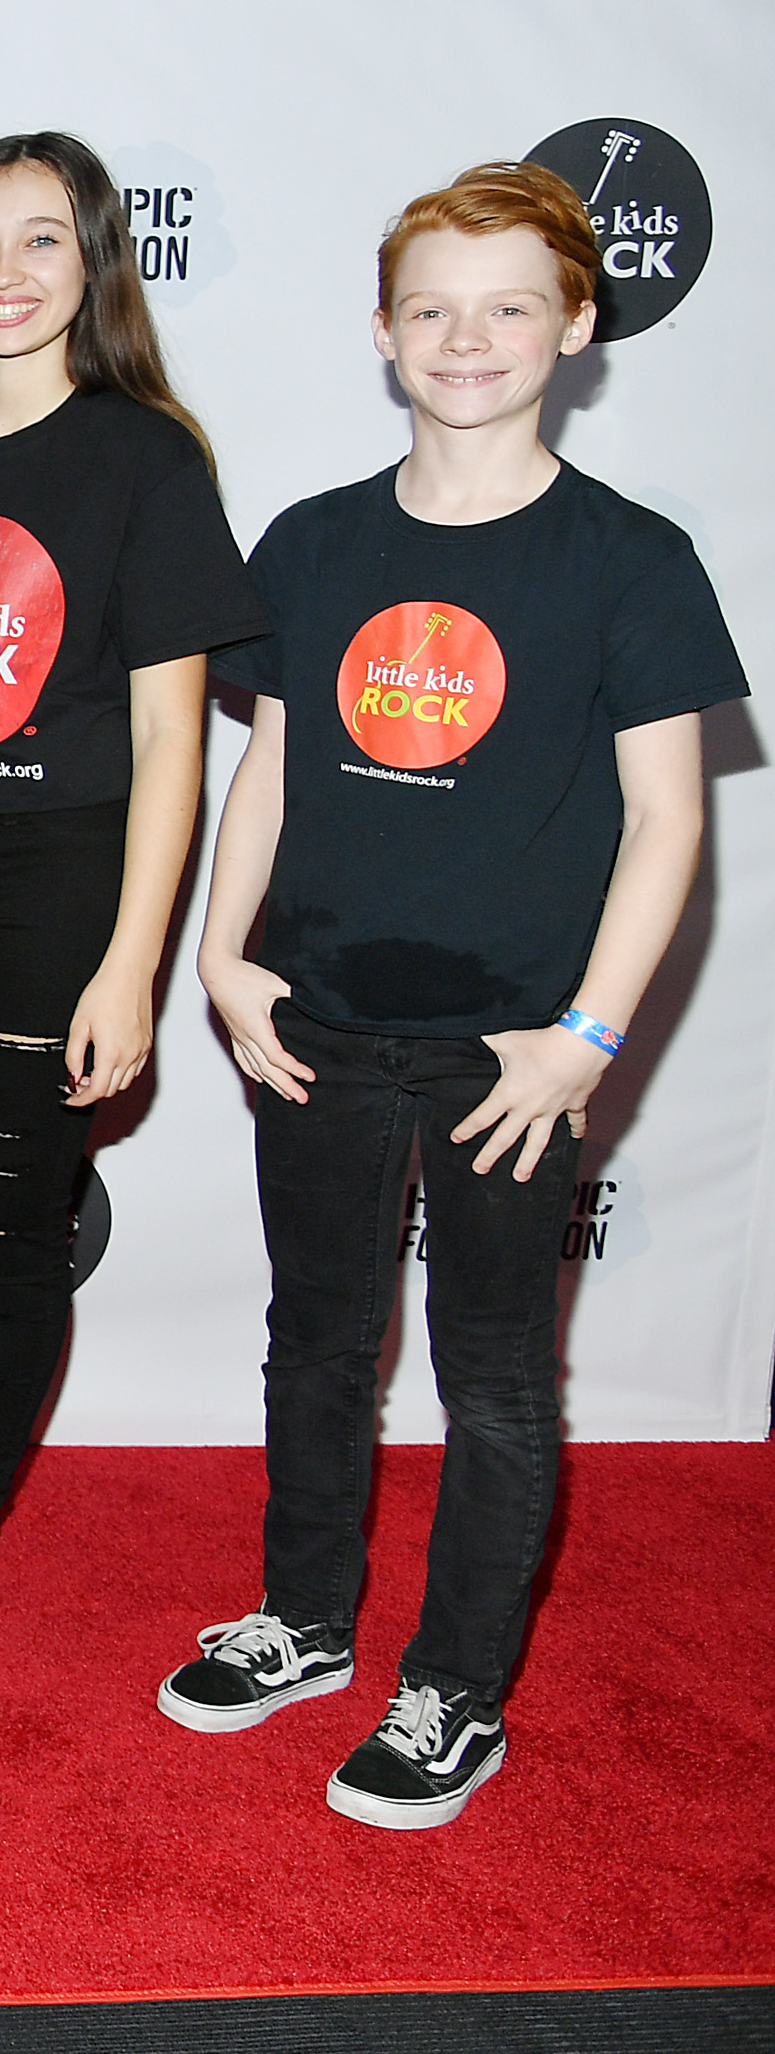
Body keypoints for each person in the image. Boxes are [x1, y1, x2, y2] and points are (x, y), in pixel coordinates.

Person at [166, 162, 742, 1829]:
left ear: (575, 324)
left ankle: (455, 1688)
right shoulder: (320, 539)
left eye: (506, 308)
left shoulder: (631, 561)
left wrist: (588, 1040)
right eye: (432, 308)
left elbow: (671, 822)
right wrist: (222, 948)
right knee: (317, 1346)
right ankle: (305, 1622)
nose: (466, 339)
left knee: (494, 1374)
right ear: (381, 331)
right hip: (324, 1022)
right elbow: (268, 765)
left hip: (514, 1053)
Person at [0, 132, 269, 1670]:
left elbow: (171, 740)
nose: (3, 276)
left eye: (41, 242)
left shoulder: (146, 456)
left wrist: (131, 963)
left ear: (95, 269)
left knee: (11, 1228)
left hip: (61, 878)